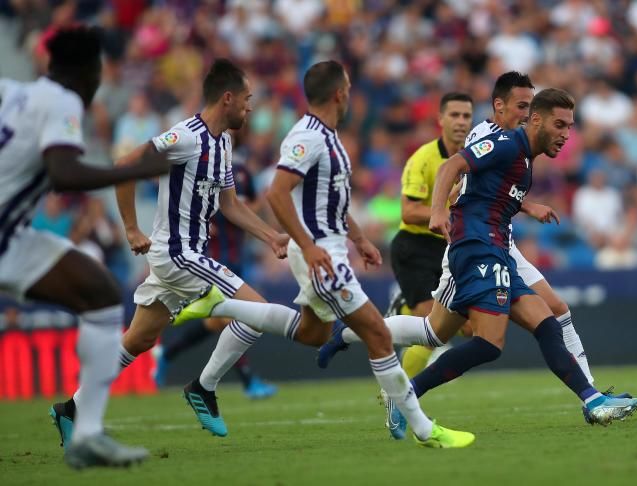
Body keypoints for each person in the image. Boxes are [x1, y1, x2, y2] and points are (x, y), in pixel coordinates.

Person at [177, 60, 475, 448]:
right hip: (322, 257)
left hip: (331, 250)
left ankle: (221, 306)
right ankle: (424, 429)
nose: (350, 94)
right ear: (339, 93)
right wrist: (307, 245)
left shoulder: (329, 137)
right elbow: (277, 193)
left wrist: (360, 239)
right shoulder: (308, 136)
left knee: (312, 332)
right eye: (348, 87)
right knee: (377, 335)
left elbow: (331, 201)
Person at [320, 73, 634, 437]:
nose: (566, 134)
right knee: (488, 343)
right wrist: (438, 211)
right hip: (476, 247)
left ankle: (592, 400)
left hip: (494, 247)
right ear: (535, 120)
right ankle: (409, 395)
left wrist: (526, 207)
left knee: (465, 329)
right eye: (560, 124)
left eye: (570, 126)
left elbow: (492, 193)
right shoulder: (504, 144)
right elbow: (452, 167)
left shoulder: (526, 160)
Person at [49, 59, 297, 441]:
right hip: (178, 255)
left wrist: (270, 235)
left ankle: (72, 409)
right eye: (247, 99)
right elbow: (125, 163)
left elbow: (230, 205)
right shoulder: (185, 137)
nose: (251, 107)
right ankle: (204, 387)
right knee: (258, 314)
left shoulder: (224, 143)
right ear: (227, 98)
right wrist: (131, 228)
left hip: (188, 257)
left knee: (139, 340)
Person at [0, 27, 170, 468]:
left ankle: (87, 433)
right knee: (101, 295)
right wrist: (131, 170)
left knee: (100, 293)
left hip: (13, 238)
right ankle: (88, 432)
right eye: (100, 69)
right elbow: (64, 173)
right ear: (89, 71)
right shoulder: (63, 101)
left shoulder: (14, 92)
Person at [154, 159, 278, 400]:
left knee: (216, 323)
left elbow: (251, 203)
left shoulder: (241, 171)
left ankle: (167, 354)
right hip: (211, 258)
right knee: (233, 318)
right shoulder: (199, 170)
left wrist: (247, 205)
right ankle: (248, 380)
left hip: (237, 257)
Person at [390, 92, 473, 377]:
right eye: (454, 115)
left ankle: (403, 309)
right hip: (415, 246)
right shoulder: (423, 158)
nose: (461, 121)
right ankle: (399, 395)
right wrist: (445, 210)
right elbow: (409, 212)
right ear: (440, 119)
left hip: (450, 248)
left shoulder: (476, 157)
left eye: (466, 116)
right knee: (430, 329)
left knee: (470, 328)